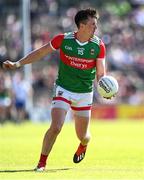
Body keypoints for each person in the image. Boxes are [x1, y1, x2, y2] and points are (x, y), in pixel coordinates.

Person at [3, 8, 109, 171]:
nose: (96, 28)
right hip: (63, 88)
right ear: (81, 25)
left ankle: (83, 145)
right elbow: (40, 52)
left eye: (96, 25)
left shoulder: (98, 45)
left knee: (83, 136)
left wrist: (105, 88)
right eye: (92, 24)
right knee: (56, 126)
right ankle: (41, 163)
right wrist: (17, 64)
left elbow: (101, 73)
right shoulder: (63, 39)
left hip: (84, 92)